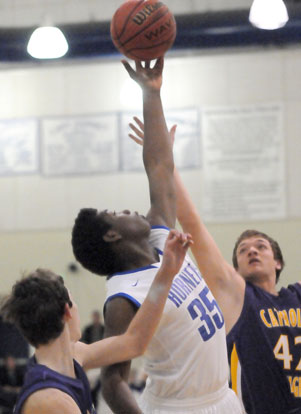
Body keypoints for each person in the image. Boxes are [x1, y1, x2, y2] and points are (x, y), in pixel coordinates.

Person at [71, 58, 243, 414]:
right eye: (116, 213)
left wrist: (151, 93)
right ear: (113, 236)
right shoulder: (122, 297)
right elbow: (113, 382)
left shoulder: (157, 239)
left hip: (222, 397)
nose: (130, 210)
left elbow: (160, 168)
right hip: (181, 408)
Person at [129, 117, 301, 414]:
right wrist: (166, 161)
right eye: (243, 250)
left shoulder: (296, 296)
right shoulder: (240, 296)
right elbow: (191, 221)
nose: (252, 251)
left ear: (279, 261)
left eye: (261, 246)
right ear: (234, 268)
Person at [0, 230, 192, 414]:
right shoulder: (50, 399)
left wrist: (167, 272)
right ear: (67, 312)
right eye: (74, 301)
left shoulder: (74, 355)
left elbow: (134, 342)